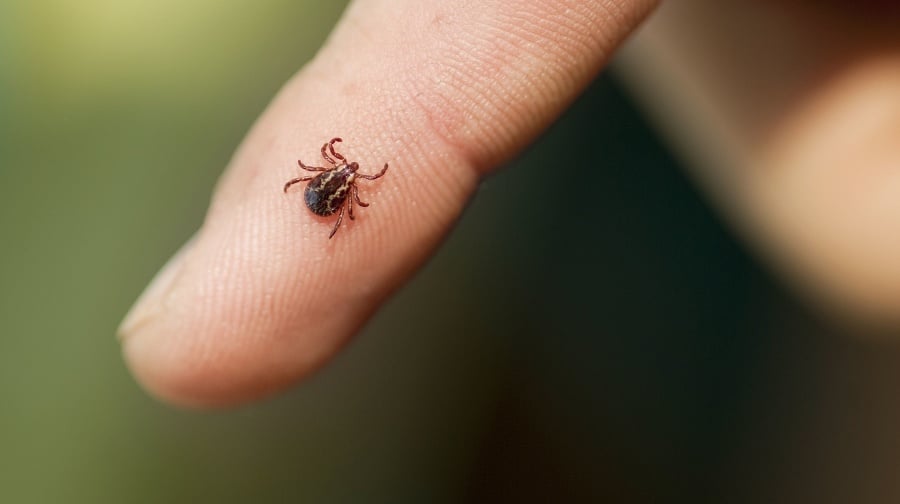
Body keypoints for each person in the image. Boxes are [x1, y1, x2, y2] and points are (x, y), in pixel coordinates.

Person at [118, 0, 900, 407]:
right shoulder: (348, 185)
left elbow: (323, 185)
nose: (339, 179)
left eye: (336, 178)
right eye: (337, 179)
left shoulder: (338, 184)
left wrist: (323, 195)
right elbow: (333, 187)